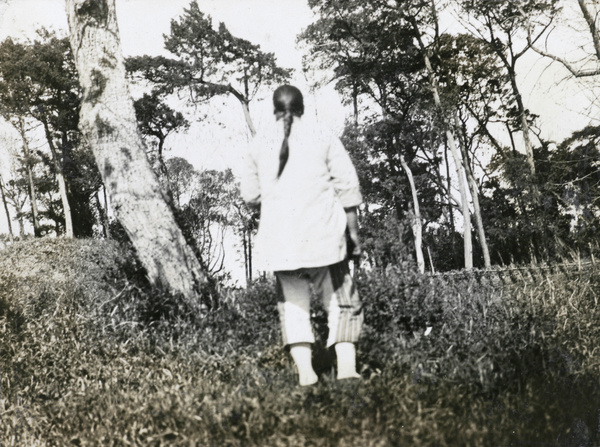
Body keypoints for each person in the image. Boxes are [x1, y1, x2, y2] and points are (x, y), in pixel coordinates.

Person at [240, 84, 364, 386]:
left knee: (293, 306)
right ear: (302, 108)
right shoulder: (322, 134)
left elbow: (250, 195)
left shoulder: (258, 143)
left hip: (280, 242)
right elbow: (348, 187)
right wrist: (354, 235)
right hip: (323, 237)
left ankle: (307, 373)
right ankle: (346, 369)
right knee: (342, 300)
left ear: (274, 110)